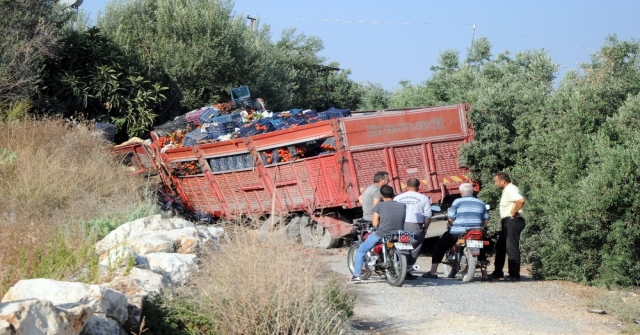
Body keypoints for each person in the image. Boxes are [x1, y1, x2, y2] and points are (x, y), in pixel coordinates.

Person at [422, 183, 490, 280]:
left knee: (439, 246)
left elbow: (450, 218)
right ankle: (485, 274)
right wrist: (478, 226)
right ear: (472, 192)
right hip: (477, 231)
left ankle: (433, 272)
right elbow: (485, 219)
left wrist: (455, 224)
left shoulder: (457, 202)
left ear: (461, 192)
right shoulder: (480, 202)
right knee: (481, 248)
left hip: (459, 231)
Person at [351, 185, 406, 282]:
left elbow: (375, 223)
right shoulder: (402, 205)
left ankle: (356, 276)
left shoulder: (379, 206)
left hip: (382, 234)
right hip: (399, 234)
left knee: (361, 251)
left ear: (381, 195)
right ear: (393, 194)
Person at [393, 178, 432, 280]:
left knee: (400, 246)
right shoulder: (423, 198)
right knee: (414, 247)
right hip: (414, 226)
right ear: (418, 187)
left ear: (406, 186)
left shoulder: (398, 197)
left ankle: (398, 267)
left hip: (400, 225)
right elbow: (428, 216)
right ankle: (408, 269)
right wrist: (425, 228)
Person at [491, 172, 526, 281]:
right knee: (500, 247)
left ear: (502, 181)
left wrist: (513, 211)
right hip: (508, 222)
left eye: (496, 182)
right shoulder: (508, 190)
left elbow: (521, 200)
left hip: (512, 221)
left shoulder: (511, 190)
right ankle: (498, 273)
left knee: (511, 248)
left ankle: (514, 275)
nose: (495, 184)